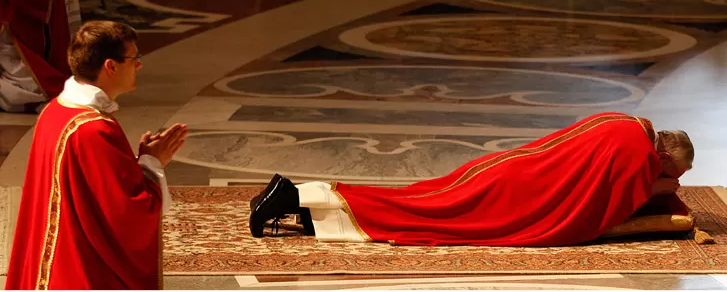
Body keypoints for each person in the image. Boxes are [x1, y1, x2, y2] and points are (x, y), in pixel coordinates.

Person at [249, 112, 693, 247]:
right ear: (663, 156)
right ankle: (291, 196)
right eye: (674, 171)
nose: (674, 179)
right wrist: (658, 189)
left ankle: (300, 208)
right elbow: (605, 212)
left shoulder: (626, 124)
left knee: (415, 199)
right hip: (517, 194)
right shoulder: (638, 157)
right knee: (422, 213)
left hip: (507, 168)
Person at [5, 20, 190, 290]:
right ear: (111, 66)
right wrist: (153, 162)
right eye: (133, 58)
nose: (139, 65)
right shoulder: (94, 130)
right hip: (80, 269)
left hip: (56, 259)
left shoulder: (56, 110)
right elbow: (127, 213)